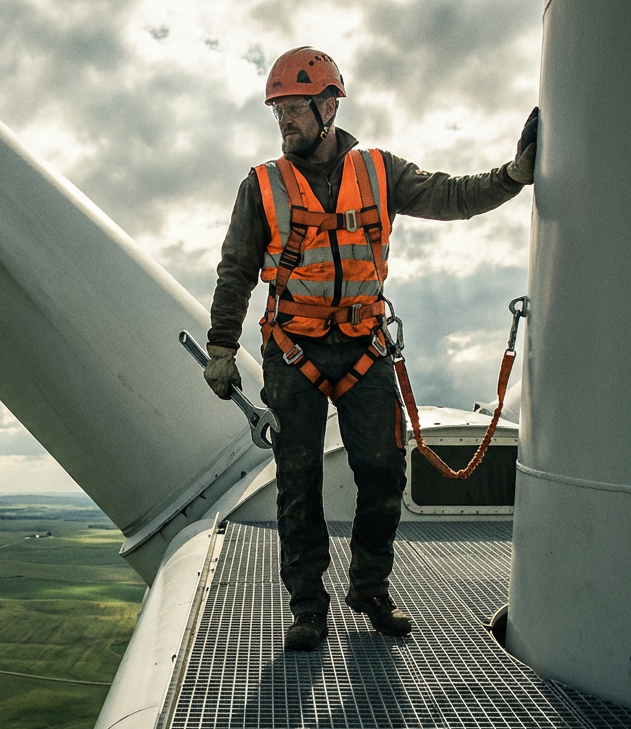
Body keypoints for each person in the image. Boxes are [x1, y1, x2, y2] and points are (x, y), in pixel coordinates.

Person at [203, 47, 537, 652]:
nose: (284, 122)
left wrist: (511, 177)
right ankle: (307, 605)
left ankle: (369, 588)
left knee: (383, 473)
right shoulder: (262, 186)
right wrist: (222, 346)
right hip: (291, 350)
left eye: (295, 109)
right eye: (277, 111)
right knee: (298, 481)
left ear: (329, 106)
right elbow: (236, 271)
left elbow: (450, 195)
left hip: (364, 345)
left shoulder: (380, 172)